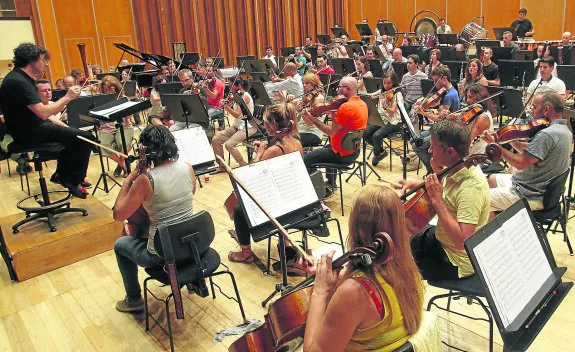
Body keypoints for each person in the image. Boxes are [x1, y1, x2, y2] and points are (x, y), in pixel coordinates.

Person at [302, 185, 424, 351]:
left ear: (357, 227)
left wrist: (320, 291)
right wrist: (330, 275)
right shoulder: (407, 266)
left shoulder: (354, 292)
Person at [113, 125, 196, 312]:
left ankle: (133, 299)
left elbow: (118, 214)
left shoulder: (145, 180)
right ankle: (190, 278)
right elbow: (189, 195)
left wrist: (130, 177)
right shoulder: (188, 169)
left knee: (120, 245)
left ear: (146, 151)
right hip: (190, 245)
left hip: (161, 254)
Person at [401, 119, 490, 280]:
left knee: (395, 264)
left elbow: (462, 242)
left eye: (433, 146)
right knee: (399, 235)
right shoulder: (456, 168)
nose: (429, 150)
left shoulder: (471, 188)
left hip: (454, 260)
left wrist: (437, 200)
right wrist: (424, 182)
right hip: (441, 238)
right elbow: (450, 198)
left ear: (450, 151)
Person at [0, 43, 92, 198]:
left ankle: (63, 176)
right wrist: (68, 97)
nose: (46, 64)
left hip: (34, 127)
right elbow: (43, 113)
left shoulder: (22, 78)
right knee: (85, 138)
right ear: (32, 60)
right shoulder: (17, 81)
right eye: (43, 60)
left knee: (77, 138)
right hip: (29, 131)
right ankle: (70, 179)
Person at [228, 103, 303, 263]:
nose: (263, 125)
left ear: (273, 124)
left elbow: (252, 174)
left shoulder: (275, 150)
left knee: (239, 208)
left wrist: (260, 153)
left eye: (265, 122)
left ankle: (246, 251)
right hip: (292, 193)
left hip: (278, 201)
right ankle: (280, 237)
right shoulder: (296, 142)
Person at [482, 92, 571, 214]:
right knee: (492, 179)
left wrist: (497, 147)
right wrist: (512, 139)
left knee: (480, 199)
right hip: (536, 187)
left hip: (530, 194)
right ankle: (500, 219)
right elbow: (534, 150)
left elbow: (521, 163)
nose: (531, 111)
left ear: (546, 109)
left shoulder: (547, 134)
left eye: (534, 107)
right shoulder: (564, 131)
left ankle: (494, 227)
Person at [302, 77, 368, 195]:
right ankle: (331, 183)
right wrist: (334, 115)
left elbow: (331, 132)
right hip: (354, 150)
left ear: (347, 89)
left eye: (340, 87)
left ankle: (319, 191)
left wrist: (314, 120)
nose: (337, 90)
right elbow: (343, 126)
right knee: (327, 147)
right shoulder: (362, 103)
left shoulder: (346, 107)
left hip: (341, 154)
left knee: (305, 160)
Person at [412, 65, 460, 174]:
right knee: (414, 139)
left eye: (435, 81)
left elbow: (439, 118)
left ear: (444, 78)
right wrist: (428, 105)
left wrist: (423, 112)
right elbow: (439, 108)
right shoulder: (450, 91)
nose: (434, 84)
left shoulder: (448, 96)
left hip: (446, 131)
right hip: (443, 127)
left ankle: (433, 170)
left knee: (417, 146)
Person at [212, 78, 258, 167]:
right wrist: (226, 102)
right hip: (238, 125)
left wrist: (226, 107)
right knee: (215, 140)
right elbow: (229, 106)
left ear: (239, 86)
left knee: (229, 145)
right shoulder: (236, 95)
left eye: (231, 85)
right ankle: (222, 166)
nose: (229, 87)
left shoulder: (245, 97)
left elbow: (237, 114)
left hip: (248, 126)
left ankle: (242, 164)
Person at [98, 75, 134, 178]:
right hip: (106, 127)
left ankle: (120, 164)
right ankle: (123, 164)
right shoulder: (100, 100)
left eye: (110, 89)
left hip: (124, 125)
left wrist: (126, 113)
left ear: (116, 87)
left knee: (121, 142)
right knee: (102, 144)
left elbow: (129, 117)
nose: (108, 91)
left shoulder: (123, 98)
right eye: (105, 89)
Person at [364, 72, 403, 166]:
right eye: (384, 82)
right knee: (365, 132)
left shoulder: (397, 94)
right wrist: (363, 95)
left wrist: (386, 108)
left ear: (393, 82)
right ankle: (381, 151)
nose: (386, 85)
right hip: (382, 119)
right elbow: (371, 95)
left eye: (389, 83)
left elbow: (393, 111)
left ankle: (377, 155)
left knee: (376, 136)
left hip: (394, 121)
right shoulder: (382, 91)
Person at [290, 73, 326, 148]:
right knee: (280, 137)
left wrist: (301, 111)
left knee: (288, 142)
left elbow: (310, 123)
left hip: (312, 133)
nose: (304, 85)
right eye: (303, 83)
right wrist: (290, 101)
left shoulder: (319, 99)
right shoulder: (306, 97)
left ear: (314, 84)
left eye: (307, 83)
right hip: (301, 130)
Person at [462, 84, 495, 155]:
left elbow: (467, 139)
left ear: (480, 97)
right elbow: (462, 118)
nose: (467, 100)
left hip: (477, 157)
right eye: (467, 97)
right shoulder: (474, 111)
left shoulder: (483, 117)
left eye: (470, 97)